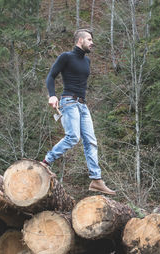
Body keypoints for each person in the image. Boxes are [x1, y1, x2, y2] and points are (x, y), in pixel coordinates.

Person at [41, 28, 116, 195]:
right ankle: (46, 162)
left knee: (91, 140)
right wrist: (52, 96)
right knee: (73, 136)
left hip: (83, 105)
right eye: (89, 39)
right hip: (69, 102)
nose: (92, 42)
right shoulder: (66, 57)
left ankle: (96, 180)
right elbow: (51, 76)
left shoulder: (87, 61)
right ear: (80, 40)